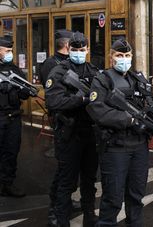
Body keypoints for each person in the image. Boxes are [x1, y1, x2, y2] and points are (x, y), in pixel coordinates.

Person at [86, 39, 153, 226]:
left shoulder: (138, 79)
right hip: (115, 147)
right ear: (111, 57)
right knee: (113, 197)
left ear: (132, 57)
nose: (123, 59)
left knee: (136, 194)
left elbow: (151, 109)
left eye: (126, 56)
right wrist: (130, 120)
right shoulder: (103, 79)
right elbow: (97, 110)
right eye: (119, 55)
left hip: (139, 146)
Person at [45, 32, 99, 227]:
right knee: (66, 180)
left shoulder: (93, 71)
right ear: (68, 49)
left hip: (90, 133)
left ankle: (89, 215)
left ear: (87, 50)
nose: (78, 53)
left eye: (82, 50)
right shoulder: (59, 72)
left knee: (89, 179)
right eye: (75, 50)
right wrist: (81, 100)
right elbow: (54, 100)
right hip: (69, 133)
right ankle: (61, 219)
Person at [0, 37, 31, 198]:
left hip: (13, 117)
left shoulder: (15, 70)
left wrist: (24, 91)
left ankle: (7, 184)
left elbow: (24, 92)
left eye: (11, 50)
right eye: (7, 51)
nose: (10, 53)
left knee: (11, 152)